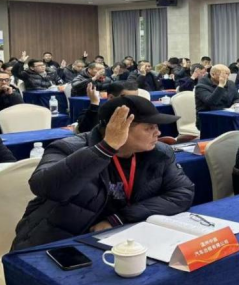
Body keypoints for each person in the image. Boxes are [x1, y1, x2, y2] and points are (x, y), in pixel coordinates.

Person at [11, 96, 195, 250]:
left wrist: (119, 218)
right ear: (117, 128)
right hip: (61, 241)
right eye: (149, 128)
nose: (158, 133)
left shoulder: (160, 153)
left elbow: (182, 192)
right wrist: (105, 149)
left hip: (123, 237)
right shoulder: (67, 147)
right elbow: (46, 187)